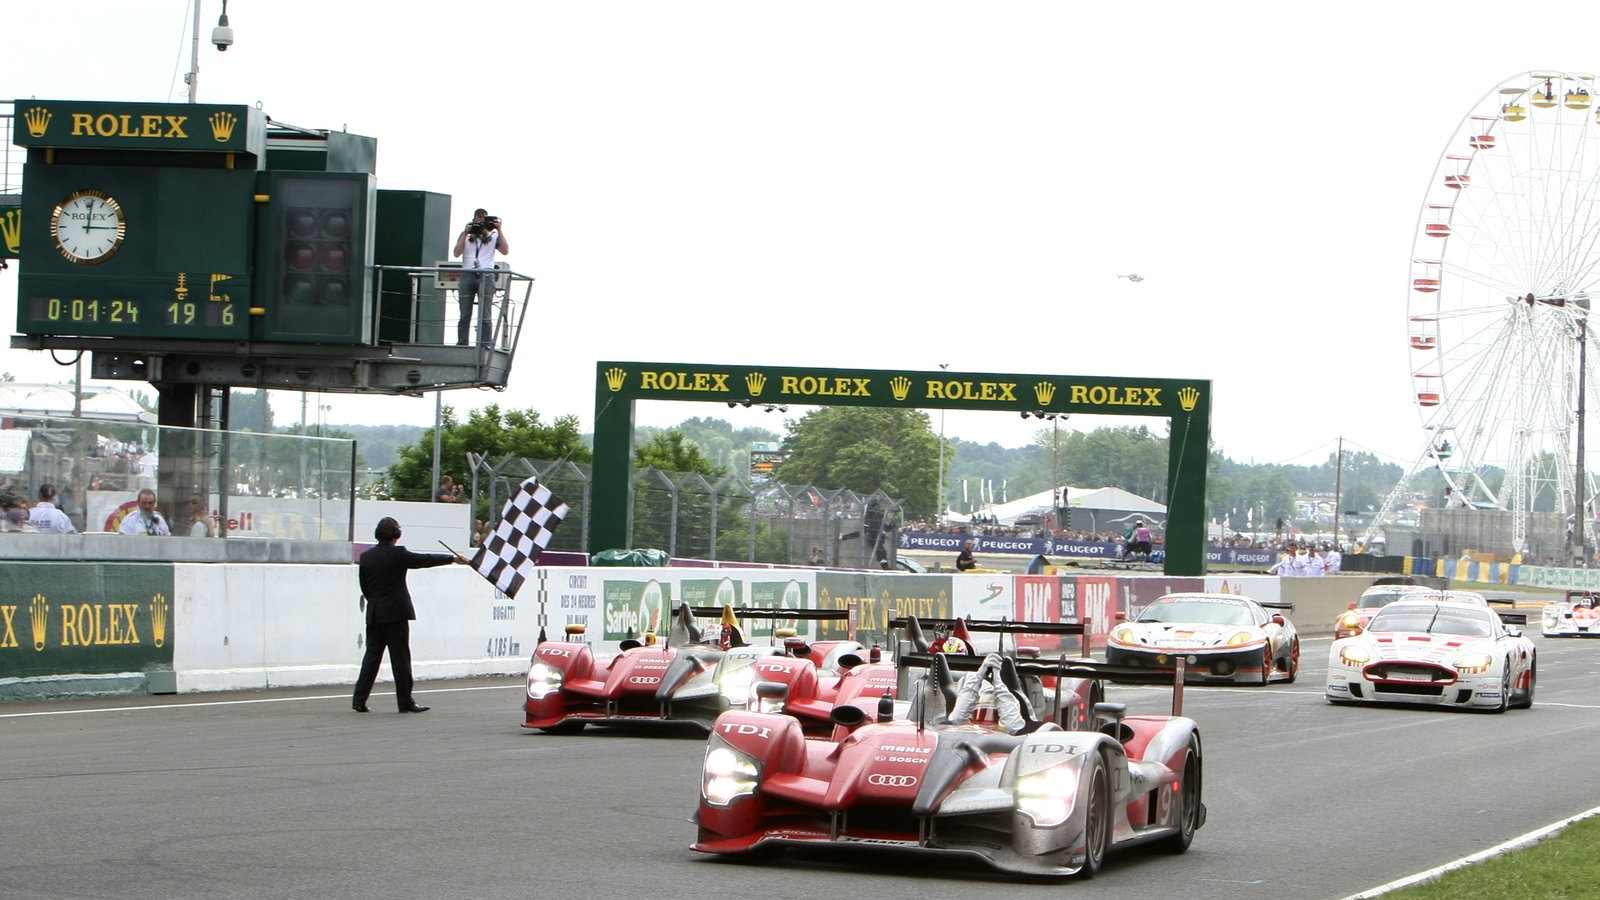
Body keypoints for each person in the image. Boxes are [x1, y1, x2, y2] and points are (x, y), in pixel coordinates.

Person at [352, 516, 469, 714]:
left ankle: (359, 700)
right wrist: (452, 559)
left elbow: (365, 587)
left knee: (371, 657)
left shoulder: (366, 557)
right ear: (396, 535)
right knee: (400, 659)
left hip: (374, 613)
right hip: (395, 613)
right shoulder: (399, 553)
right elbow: (424, 560)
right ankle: (405, 701)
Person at [451, 208, 509, 347]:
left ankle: (485, 344)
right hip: (468, 273)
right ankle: (462, 343)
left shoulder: (493, 236)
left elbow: (505, 251)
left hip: (486, 273)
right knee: (465, 314)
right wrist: (466, 232)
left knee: (485, 314)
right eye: (478, 218)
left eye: (484, 218)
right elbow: (456, 253)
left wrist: (499, 229)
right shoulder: (466, 235)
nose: (481, 222)